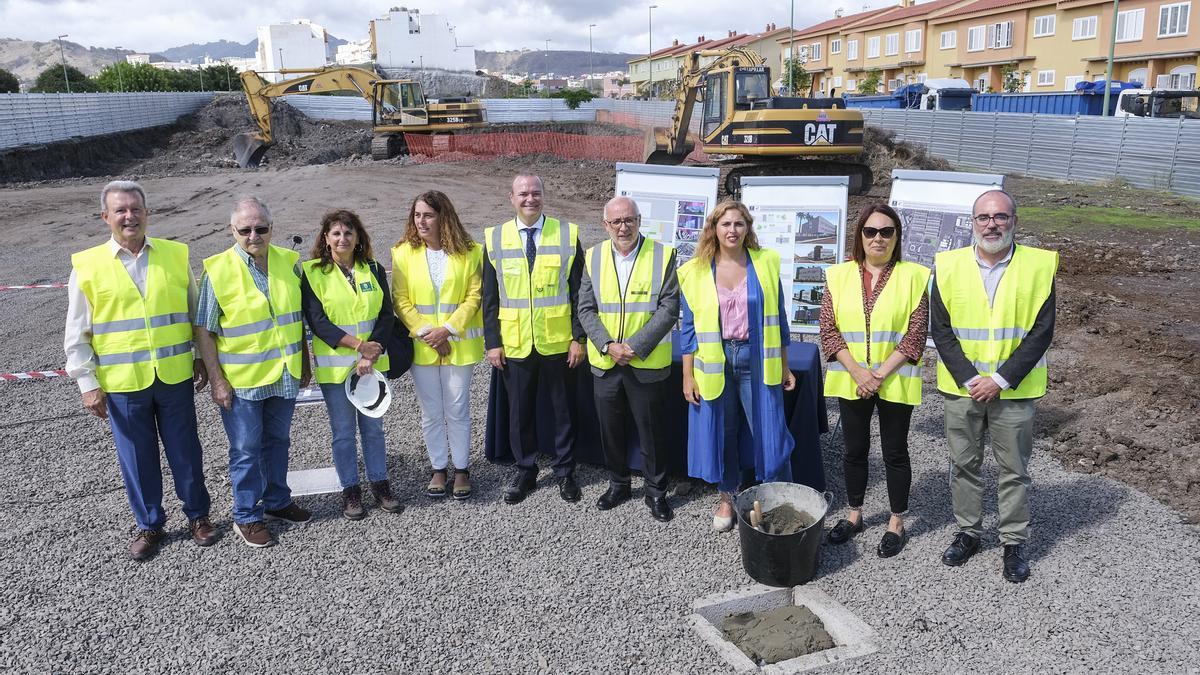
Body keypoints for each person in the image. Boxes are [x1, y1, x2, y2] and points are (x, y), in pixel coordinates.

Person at [65, 180, 215, 561]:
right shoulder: (87, 265)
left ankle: (198, 515)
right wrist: (87, 383)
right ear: (106, 217)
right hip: (123, 383)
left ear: (148, 213)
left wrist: (200, 355)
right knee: (137, 457)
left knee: (186, 451)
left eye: (135, 209)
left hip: (173, 375)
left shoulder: (175, 255)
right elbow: (77, 331)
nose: (129, 216)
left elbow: (194, 312)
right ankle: (150, 524)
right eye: (120, 210)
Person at [931, 189, 1057, 584]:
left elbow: (1041, 332)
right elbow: (942, 330)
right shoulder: (947, 266)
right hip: (963, 388)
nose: (992, 224)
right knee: (963, 464)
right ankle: (969, 532)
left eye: (1000, 217)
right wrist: (972, 379)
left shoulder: (1039, 266)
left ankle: (1013, 542)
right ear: (972, 222)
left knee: (1013, 469)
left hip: (1013, 391)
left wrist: (999, 380)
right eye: (984, 217)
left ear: (1014, 220)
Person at [194, 197, 313, 548]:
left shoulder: (290, 263)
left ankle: (277, 501)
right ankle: (246, 515)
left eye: (261, 228)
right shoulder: (217, 270)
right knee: (246, 449)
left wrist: (305, 362)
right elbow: (205, 329)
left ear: (272, 229)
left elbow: (296, 319)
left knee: (278, 442)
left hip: (285, 372)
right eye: (245, 230)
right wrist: (217, 379)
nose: (254, 235)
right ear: (233, 231)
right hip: (242, 381)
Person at [677, 200, 797, 532]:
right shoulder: (695, 270)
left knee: (769, 431)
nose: (732, 230)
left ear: (748, 228)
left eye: (739, 224)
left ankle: (777, 499)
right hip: (716, 363)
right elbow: (688, 329)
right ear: (714, 229)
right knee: (724, 432)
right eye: (726, 224)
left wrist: (786, 367)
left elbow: (780, 319)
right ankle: (728, 499)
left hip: (757, 358)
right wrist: (688, 375)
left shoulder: (766, 262)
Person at [819, 204, 929, 558]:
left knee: (895, 451)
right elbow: (828, 330)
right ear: (860, 236)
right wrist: (858, 372)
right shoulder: (837, 276)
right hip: (853, 379)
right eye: (871, 231)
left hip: (893, 380)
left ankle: (896, 520)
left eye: (886, 231)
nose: (878, 238)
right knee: (854, 450)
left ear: (897, 237)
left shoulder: (915, 277)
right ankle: (854, 515)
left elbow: (916, 334)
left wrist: (877, 374)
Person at [482, 173, 587, 505]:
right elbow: (490, 296)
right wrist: (492, 342)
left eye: (536, 193)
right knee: (519, 412)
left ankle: (565, 471)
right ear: (511, 197)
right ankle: (525, 469)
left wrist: (579, 338)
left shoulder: (567, 235)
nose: (530, 199)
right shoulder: (494, 238)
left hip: (557, 341)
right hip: (514, 342)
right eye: (523, 194)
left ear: (544, 196)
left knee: (562, 411)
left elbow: (579, 293)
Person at [577, 197, 680, 522]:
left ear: (639, 221)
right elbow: (585, 308)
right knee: (611, 431)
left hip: (645, 363)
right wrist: (608, 345)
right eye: (616, 222)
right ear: (606, 224)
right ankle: (618, 483)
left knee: (651, 433)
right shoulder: (593, 257)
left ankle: (656, 492)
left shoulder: (663, 255)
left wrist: (634, 346)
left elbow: (669, 308)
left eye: (629, 220)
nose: (623, 227)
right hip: (607, 364)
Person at [300, 209, 401, 520]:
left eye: (348, 233)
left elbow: (386, 314)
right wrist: (358, 346)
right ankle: (350, 490)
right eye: (336, 233)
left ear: (358, 238)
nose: (342, 238)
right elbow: (318, 322)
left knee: (374, 428)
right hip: (336, 368)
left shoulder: (372, 268)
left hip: (371, 365)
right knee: (343, 432)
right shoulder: (313, 272)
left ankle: (380, 484)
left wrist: (370, 353)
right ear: (326, 239)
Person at [392, 191, 484, 501]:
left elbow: (474, 297)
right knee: (431, 412)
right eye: (417, 215)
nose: (421, 220)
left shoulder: (471, 253)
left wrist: (447, 330)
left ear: (443, 216)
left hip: (458, 344)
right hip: (424, 346)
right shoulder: (403, 253)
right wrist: (427, 333)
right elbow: (400, 300)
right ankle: (438, 468)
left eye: (428, 215)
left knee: (457, 409)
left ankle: (461, 469)